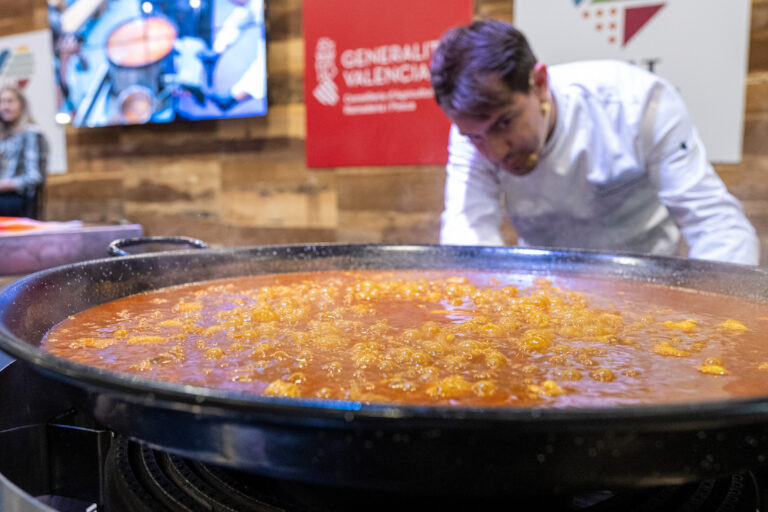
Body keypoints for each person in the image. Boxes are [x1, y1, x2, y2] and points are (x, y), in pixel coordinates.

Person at [430, 20, 760, 265]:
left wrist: (720, 325)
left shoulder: (639, 104)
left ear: (540, 84)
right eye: (475, 136)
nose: (495, 151)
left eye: (505, 122)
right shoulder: (473, 131)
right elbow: (468, 235)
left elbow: (716, 225)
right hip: (543, 294)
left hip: (647, 287)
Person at [209, 0, 266, 111]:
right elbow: (236, 22)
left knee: (266, 64)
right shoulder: (248, 7)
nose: (232, 3)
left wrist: (234, 96)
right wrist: (216, 52)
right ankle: (232, 97)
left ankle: (233, 98)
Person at [0, 87, 47, 218]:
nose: (5, 106)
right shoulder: (4, 137)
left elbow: (34, 177)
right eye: (2, 102)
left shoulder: (31, 133)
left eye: (9, 101)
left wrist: (4, 185)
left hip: (18, 198)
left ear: (21, 105)